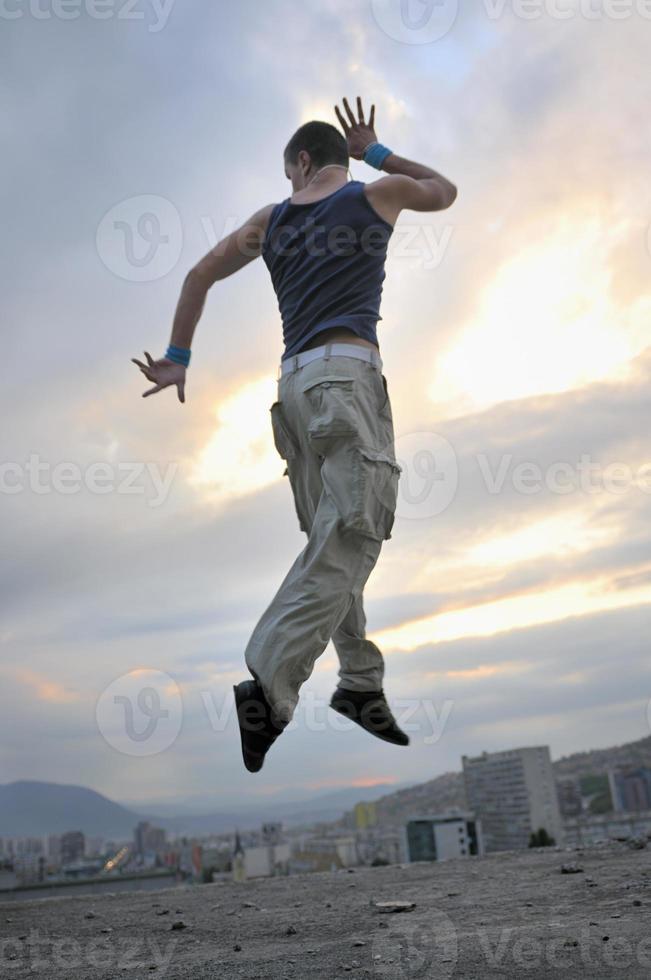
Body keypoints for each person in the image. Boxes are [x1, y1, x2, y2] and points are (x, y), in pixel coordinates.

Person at [132, 96, 457, 772]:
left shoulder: (271, 220)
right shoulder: (377, 194)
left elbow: (199, 274)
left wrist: (179, 357)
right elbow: (444, 190)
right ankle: (269, 687)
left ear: (302, 160)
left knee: (331, 537)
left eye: (289, 171)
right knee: (353, 533)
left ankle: (360, 682)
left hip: (293, 394)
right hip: (347, 379)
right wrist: (376, 151)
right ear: (337, 158)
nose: (289, 184)